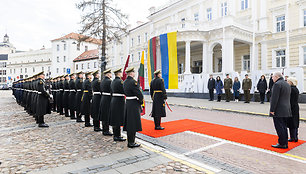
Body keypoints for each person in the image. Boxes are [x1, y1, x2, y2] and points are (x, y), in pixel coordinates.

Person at [270, 72, 291, 149]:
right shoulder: (286, 84)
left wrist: (272, 110)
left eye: (273, 77)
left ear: (276, 77)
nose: (272, 79)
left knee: (279, 127)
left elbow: (274, 98)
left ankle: (282, 143)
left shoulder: (277, 84)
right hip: (286, 109)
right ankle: (285, 143)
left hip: (278, 109)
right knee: (284, 127)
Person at [123, 67, 143, 148]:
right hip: (134, 104)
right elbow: (139, 94)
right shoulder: (133, 82)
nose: (134, 74)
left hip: (128, 103)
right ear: (131, 73)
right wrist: (141, 101)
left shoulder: (125, 82)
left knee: (129, 123)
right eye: (134, 72)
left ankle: (130, 141)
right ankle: (131, 142)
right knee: (133, 124)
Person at [109, 68, 126, 141]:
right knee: (118, 118)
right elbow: (124, 90)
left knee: (115, 118)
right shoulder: (120, 81)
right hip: (119, 101)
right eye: (121, 73)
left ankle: (116, 134)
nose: (122, 74)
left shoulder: (113, 81)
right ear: (118, 74)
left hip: (114, 100)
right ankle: (117, 136)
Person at [99, 69, 113, 136]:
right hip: (108, 98)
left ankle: (104, 129)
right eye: (110, 74)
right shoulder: (109, 81)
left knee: (104, 114)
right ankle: (106, 130)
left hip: (103, 98)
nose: (111, 75)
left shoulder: (102, 81)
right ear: (108, 74)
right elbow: (111, 90)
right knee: (107, 114)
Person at [287, 77, 300, 142]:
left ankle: (293, 137)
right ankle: (295, 136)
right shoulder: (295, 89)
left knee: (292, 123)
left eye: (288, 81)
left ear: (291, 82)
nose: (287, 82)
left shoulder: (291, 89)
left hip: (292, 107)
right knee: (295, 122)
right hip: (295, 107)